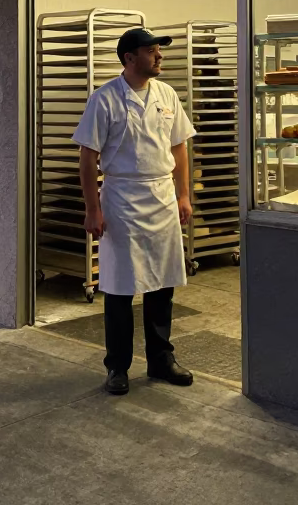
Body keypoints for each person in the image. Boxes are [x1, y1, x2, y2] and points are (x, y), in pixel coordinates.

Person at [72, 27, 196, 395]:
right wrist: (92, 210)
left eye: (159, 51)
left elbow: (179, 149)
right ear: (129, 58)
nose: (159, 57)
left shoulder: (167, 94)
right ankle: (117, 366)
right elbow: (87, 157)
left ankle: (161, 359)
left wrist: (183, 195)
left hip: (160, 195)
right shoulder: (105, 99)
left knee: (162, 282)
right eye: (151, 51)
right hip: (121, 198)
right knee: (120, 287)